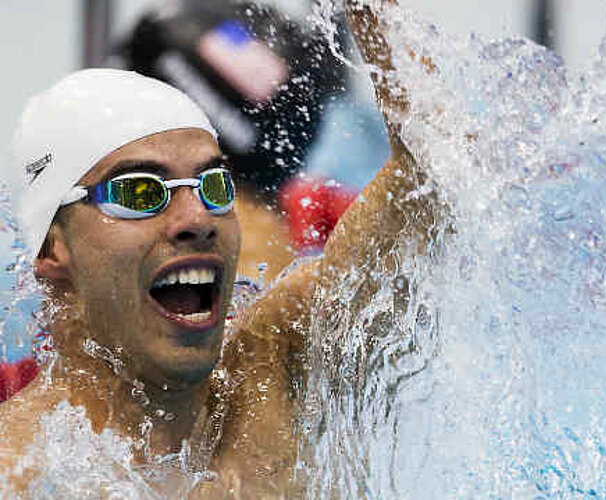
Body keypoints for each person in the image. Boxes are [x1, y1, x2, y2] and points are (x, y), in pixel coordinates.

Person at [0, 0, 432, 496]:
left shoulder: (276, 367)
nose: (198, 219)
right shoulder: (18, 470)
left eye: (214, 185)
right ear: (51, 248)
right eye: (139, 192)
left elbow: (431, 171)